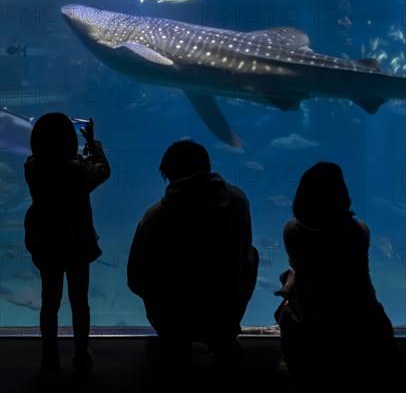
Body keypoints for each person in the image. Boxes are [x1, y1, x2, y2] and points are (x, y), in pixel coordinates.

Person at [127, 139, 259, 377]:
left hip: (173, 316)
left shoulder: (153, 218)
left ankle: (177, 342)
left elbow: (135, 279)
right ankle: (223, 340)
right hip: (224, 309)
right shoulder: (239, 201)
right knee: (251, 254)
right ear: (208, 167)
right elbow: (245, 249)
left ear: (169, 176)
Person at [278, 161, 405, 387]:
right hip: (365, 317)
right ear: (342, 197)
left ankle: (296, 364)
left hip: (316, 318)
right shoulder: (360, 230)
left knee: (286, 301)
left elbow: (297, 266)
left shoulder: (291, 231)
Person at [24, 113, 110, 377]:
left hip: (46, 243)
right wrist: (93, 144)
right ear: (70, 143)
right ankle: (81, 354)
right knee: (79, 301)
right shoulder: (78, 171)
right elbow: (102, 170)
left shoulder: (32, 168)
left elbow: (55, 165)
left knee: (49, 303)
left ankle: (49, 357)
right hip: (76, 245)